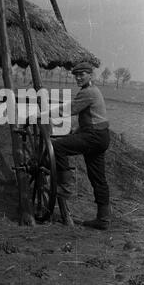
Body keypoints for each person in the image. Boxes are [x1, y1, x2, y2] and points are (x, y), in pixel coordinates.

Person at [50, 61, 111, 230]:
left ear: (90, 75)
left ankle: (66, 185)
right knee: (98, 178)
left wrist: (43, 114)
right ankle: (103, 219)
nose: (78, 78)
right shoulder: (93, 91)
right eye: (76, 75)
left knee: (57, 147)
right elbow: (92, 117)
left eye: (81, 74)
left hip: (93, 137)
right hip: (101, 136)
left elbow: (70, 110)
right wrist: (76, 131)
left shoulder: (89, 92)